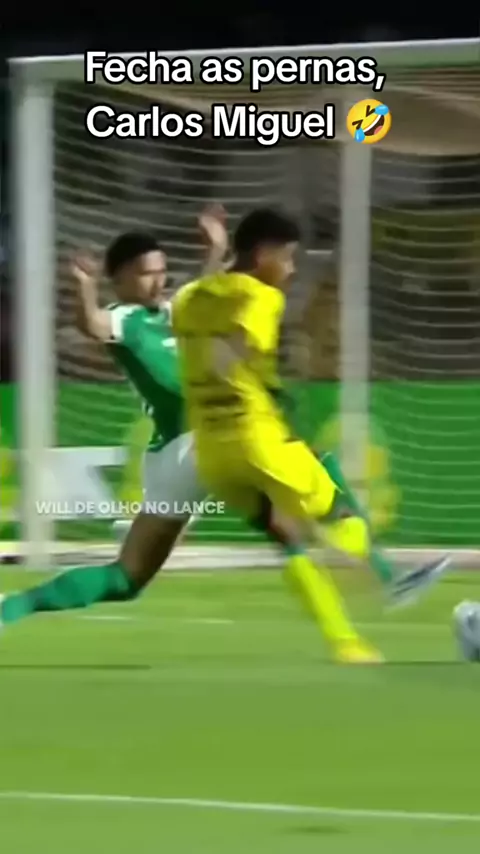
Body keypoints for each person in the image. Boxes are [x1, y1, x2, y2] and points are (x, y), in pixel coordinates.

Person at [171, 208, 449, 663]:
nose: (291, 269)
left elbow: (204, 296)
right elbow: (241, 342)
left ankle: (346, 643)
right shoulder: (262, 297)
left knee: (287, 537)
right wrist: (246, 372)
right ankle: (382, 576)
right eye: (287, 257)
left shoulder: (189, 297)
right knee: (338, 509)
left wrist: (215, 251)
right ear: (264, 254)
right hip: (256, 438)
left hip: (212, 452)